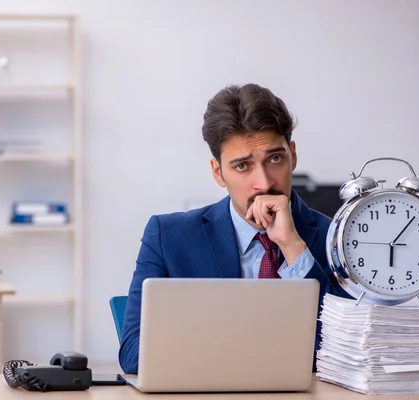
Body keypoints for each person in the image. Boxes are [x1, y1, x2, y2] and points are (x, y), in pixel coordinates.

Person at [118, 83, 351, 375]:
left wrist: (293, 248)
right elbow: (132, 354)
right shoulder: (167, 236)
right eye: (242, 166)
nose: (264, 183)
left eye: (275, 159)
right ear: (218, 173)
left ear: (293, 156)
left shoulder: (340, 239)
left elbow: (353, 351)